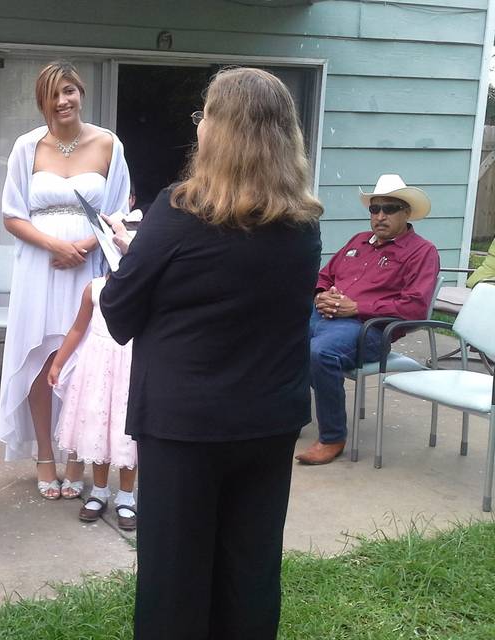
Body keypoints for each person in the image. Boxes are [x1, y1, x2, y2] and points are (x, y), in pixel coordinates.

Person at [101, 68, 323, 638]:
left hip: (186, 426)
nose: (197, 129)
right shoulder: (303, 223)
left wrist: (136, 255)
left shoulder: (177, 212)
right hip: (269, 421)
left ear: (220, 132)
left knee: (174, 581)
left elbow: (120, 314)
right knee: (250, 572)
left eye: (203, 119)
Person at [0, 60, 130, 500]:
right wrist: (55, 246)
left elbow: (118, 216)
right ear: (42, 102)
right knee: (40, 359)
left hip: (88, 269)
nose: (62, 101)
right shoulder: (26, 147)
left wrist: (85, 249)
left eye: (69, 91)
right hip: (40, 267)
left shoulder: (109, 144)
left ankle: (76, 457)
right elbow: (12, 215)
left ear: (81, 93)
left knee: (83, 363)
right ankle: (44, 455)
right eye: (53, 95)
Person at [297, 174, 440, 465]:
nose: (380, 216)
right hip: (329, 315)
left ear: (406, 212)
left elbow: (414, 307)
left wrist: (356, 307)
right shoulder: (358, 241)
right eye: (375, 209)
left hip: (370, 329)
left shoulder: (422, 252)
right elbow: (325, 276)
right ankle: (291, 413)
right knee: (280, 335)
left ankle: (332, 436)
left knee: (320, 353)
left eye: (390, 209)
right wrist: (321, 295)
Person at [48, 275, 137, 530]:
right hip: (98, 367)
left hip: (131, 365)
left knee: (125, 430)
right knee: (98, 424)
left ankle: (126, 495)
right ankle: (99, 491)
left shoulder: (144, 284)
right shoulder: (94, 288)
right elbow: (78, 328)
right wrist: (58, 362)